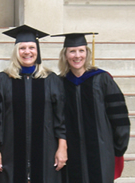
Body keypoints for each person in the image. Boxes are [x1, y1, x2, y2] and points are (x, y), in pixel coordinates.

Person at [0, 25, 67, 183]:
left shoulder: (51, 80)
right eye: (22, 48)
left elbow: (62, 117)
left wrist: (62, 147)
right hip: (10, 151)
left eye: (32, 47)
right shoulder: (3, 80)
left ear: (37, 51)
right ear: (16, 51)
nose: (27, 52)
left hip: (47, 151)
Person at [51, 32, 130, 183]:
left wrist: (118, 146)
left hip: (101, 150)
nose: (77, 56)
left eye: (81, 50)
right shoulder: (59, 83)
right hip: (70, 152)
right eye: (72, 51)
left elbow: (119, 116)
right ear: (65, 55)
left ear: (87, 53)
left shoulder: (102, 79)